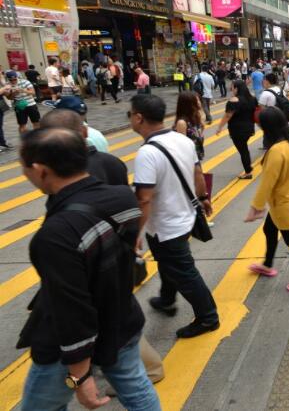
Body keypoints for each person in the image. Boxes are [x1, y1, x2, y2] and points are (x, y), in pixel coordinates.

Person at [16, 128, 161, 410]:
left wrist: (80, 378)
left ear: (40, 170)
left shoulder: (55, 235)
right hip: (123, 319)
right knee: (137, 389)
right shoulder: (122, 196)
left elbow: (72, 311)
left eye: (25, 168)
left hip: (68, 348)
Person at [130, 94, 219, 338]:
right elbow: (198, 173)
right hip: (185, 216)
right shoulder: (182, 140)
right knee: (171, 263)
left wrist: (136, 233)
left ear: (139, 118)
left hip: (165, 225)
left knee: (185, 271)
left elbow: (144, 198)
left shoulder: (147, 153)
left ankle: (208, 317)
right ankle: (167, 299)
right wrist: (203, 198)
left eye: (130, 114)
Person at [244, 107, 289, 291]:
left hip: (284, 205)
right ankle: (267, 264)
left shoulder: (277, 150)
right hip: (285, 201)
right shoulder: (288, 143)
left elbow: (267, 182)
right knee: (269, 229)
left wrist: (256, 207)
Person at [216, 80, 256, 179]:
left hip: (237, 130)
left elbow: (228, 115)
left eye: (232, 87)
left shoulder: (234, 100)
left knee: (243, 150)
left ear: (237, 88)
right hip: (249, 128)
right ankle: (248, 169)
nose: (231, 89)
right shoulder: (252, 99)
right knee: (244, 148)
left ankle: (248, 171)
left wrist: (220, 127)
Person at [174, 91, 205, 161]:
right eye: (196, 100)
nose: (199, 102)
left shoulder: (195, 118)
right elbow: (182, 147)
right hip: (188, 160)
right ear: (188, 104)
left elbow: (199, 137)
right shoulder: (182, 123)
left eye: (199, 100)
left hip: (196, 156)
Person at [6, 70, 40, 134]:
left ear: (17, 77)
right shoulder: (7, 85)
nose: (13, 81)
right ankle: (23, 140)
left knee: (36, 122)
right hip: (19, 106)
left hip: (31, 104)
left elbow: (33, 93)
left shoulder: (25, 82)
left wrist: (23, 90)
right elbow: (9, 98)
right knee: (22, 124)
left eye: (15, 79)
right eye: (11, 80)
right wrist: (14, 93)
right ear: (8, 79)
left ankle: (37, 138)